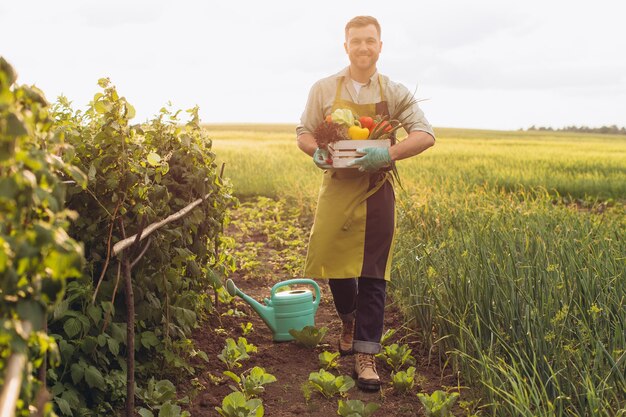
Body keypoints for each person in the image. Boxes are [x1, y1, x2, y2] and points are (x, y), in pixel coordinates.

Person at [296, 15, 435, 391]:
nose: (363, 47)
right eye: (356, 41)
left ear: (380, 46)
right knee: (337, 264)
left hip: (377, 191)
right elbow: (304, 132)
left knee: (374, 272)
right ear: (346, 46)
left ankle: (366, 355)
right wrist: (317, 153)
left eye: (370, 41)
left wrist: (387, 154)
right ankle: (348, 318)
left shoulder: (395, 92)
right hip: (337, 187)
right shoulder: (324, 88)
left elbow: (425, 134)